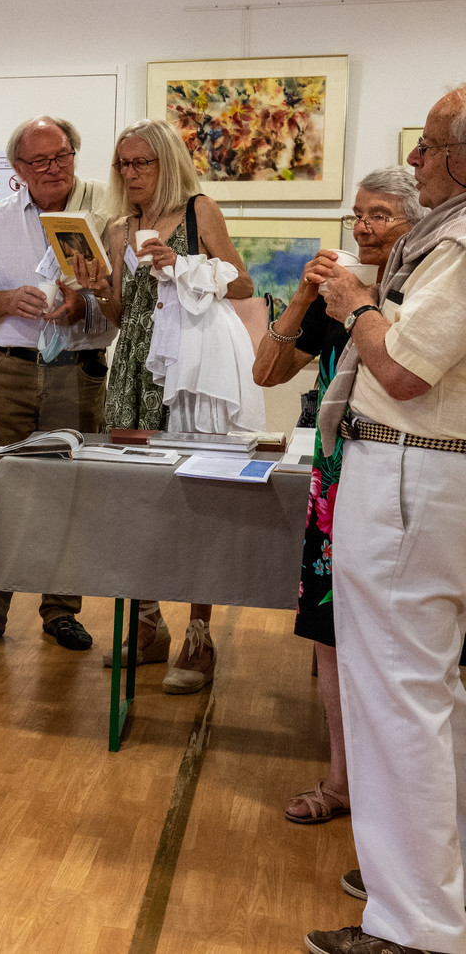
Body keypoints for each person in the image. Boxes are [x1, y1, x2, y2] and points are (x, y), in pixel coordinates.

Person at [305, 84, 466, 954]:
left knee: (399, 696)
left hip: (414, 474)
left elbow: (403, 371)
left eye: (431, 146)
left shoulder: (463, 240)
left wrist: (357, 306)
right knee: (432, 695)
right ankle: (432, 885)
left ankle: (416, 926)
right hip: (428, 477)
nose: (415, 159)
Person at [252, 168, 419, 825]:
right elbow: (268, 369)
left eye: (381, 213)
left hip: (401, 490)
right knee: (330, 637)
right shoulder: (335, 297)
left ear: (417, 221)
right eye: (358, 213)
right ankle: (343, 780)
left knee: (407, 648)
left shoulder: (419, 295)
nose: (365, 226)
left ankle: (408, 802)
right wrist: (301, 294)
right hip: (333, 488)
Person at [79, 118, 253, 694]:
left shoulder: (200, 210)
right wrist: (92, 287)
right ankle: (148, 626)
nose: (131, 174)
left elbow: (244, 285)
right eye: (124, 164)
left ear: (167, 164)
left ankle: (199, 637)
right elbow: (121, 314)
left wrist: (181, 267)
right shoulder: (116, 227)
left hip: (189, 370)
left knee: (199, 498)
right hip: (134, 367)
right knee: (136, 501)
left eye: (142, 163)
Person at [0, 115, 113, 653]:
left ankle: (61, 611)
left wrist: (80, 306)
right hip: (6, 371)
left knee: (70, 497)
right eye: (38, 161)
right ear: (18, 169)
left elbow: (119, 308)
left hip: (79, 374)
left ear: (74, 155)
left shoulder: (103, 220)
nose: (51, 169)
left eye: (61, 156)